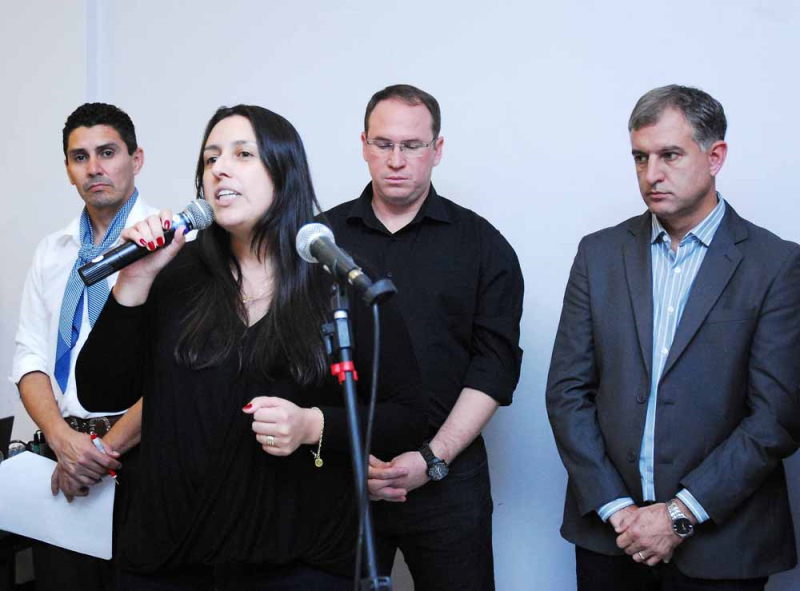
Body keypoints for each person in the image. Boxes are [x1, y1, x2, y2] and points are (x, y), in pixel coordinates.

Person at [75, 104, 426, 590]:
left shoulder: (335, 281)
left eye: (242, 154)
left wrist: (312, 425)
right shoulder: (174, 274)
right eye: (210, 158)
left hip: (299, 559)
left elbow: (408, 413)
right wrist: (134, 281)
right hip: (169, 558)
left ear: (284, 172)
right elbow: (100, 391)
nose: (220, 168)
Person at [546, 84, 800, 590]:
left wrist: (679, 515)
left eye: (670, 155)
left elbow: (777, 416)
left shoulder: (776, 265)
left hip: (724, 545)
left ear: (715, 156)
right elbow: (567, 392)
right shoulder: (598, 255)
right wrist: (618, 509)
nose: (651, 174)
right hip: (611, 537)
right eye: (640, 157)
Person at [325, 84, 524, 590]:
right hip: (338, 477)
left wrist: (433, 458)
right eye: (383, 144)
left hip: (447, 480)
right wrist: (350, 454)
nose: (396, 160)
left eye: (412, 145)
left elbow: (494, 367)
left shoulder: (483, 245)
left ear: (437, 150)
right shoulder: (321, 241)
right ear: (364, 145)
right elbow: (292, 358)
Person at [11, 102, 157, 590]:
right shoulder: (52, 252)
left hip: (142, 456)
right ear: (69, 169)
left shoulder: (174, 244)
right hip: (64, 458)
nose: (94, 167)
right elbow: (30, 357)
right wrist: (61, 440)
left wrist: (101, 452)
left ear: (136, 159)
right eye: (80, 157)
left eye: (107, 152)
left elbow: (175, 374)